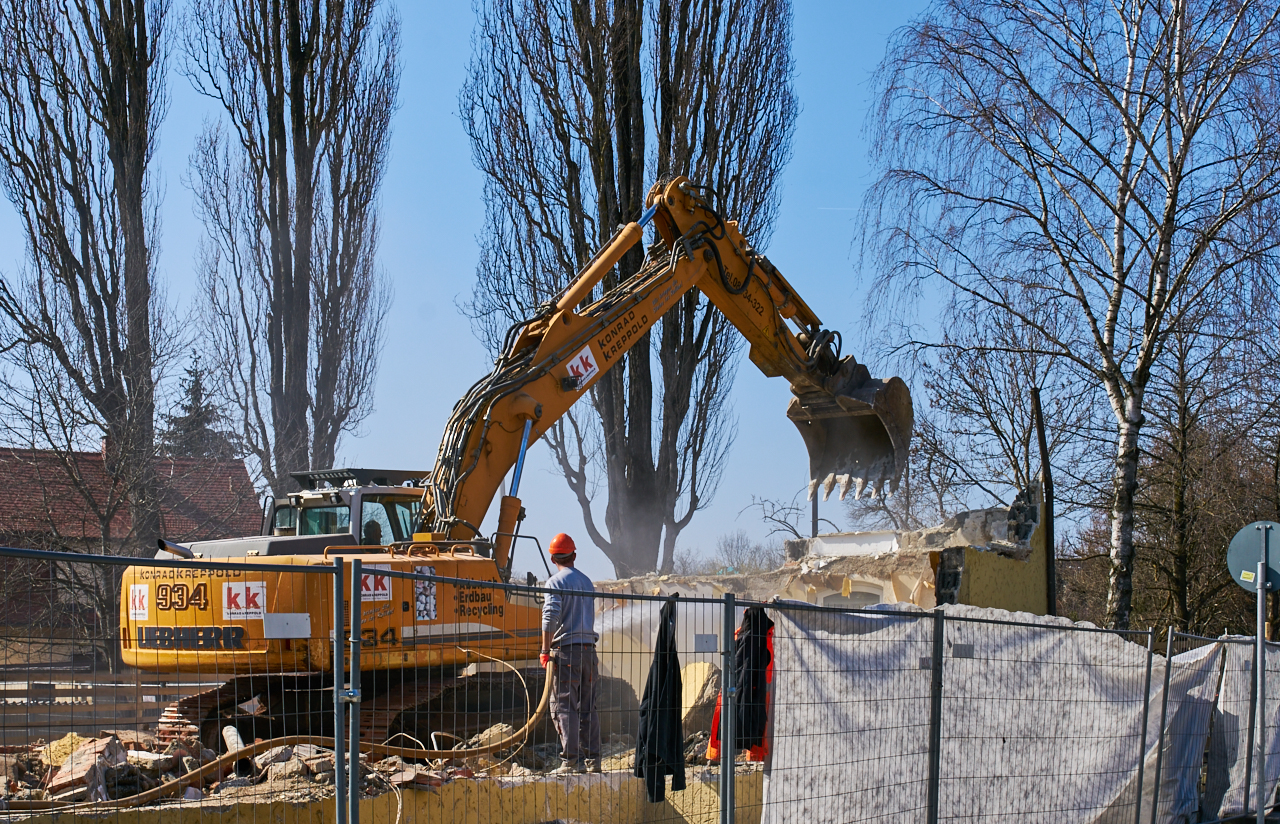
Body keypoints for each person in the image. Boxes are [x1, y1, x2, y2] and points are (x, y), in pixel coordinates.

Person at [540, 533, 602, 774]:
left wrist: (545, 650)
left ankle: (571, 762)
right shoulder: (587, 583)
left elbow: (550, 617)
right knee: (588, 706)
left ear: (553, 557)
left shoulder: (555, 582)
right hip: (589, 652)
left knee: (565, 706)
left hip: (567, 653)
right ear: (574, 555)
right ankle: (593, 760)